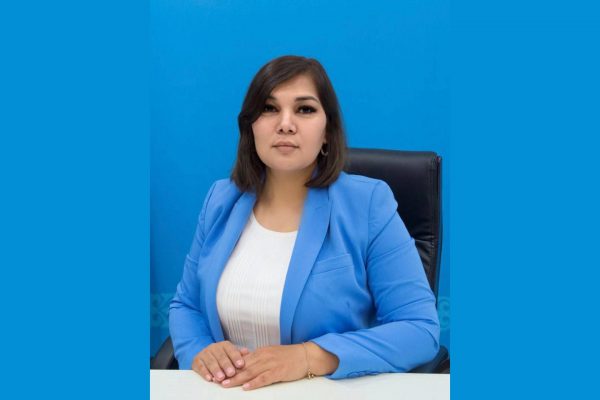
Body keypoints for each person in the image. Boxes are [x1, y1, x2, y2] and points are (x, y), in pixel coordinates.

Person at [169, 55, 440, 391]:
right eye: (269, 108)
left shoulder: (367, 204)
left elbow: (419, 329)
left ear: (327, 132)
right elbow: (187, 306)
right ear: (250, 126)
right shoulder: (221, 200)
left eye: (305, 109)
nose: (285, 124)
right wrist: (201, 351)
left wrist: (308, 357)